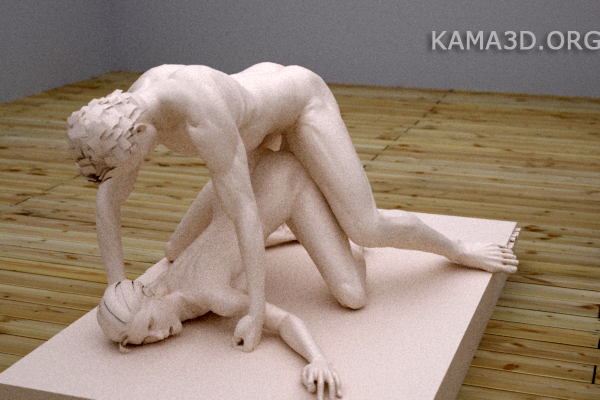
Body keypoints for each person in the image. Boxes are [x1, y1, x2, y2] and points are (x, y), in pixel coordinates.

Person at [68, 62, 517, 352]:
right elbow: (109, 204)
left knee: (367, 228)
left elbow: (245, 212)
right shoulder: (125, 113)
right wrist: (117, 287)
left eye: (127, 167)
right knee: (175, 249)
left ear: (141, 137)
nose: (124, 176)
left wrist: (256, 311)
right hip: (248, 134)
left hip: (299, 106)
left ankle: (457, 248)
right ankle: (296, 216)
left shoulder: (198, 114)